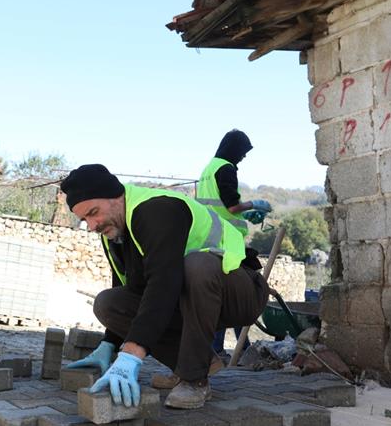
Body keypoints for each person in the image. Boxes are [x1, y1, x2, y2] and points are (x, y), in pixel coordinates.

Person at [60, 164, 269, 409]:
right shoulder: (114, 232)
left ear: (116, 196)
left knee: (196, 265)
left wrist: (131, 353)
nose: (92, 225)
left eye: (93, 212)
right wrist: (110, 343)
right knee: (108, 303)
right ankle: (196, 363)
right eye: (84, 219)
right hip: (190, 297)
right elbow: (127, 289)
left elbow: (163, 283)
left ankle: (194, 379)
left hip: (239, 291)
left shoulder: (157, 210)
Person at [196, 129, 272, 362]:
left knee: (221, 295)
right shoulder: (226, 169)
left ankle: (222, 349)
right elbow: (230, 207)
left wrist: (246, 215)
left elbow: (217, 206)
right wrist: (254, 204)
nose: (243, 157)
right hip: (227, 241)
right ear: (234, 149)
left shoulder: (209, 169)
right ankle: (237, 348)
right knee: (240, 293)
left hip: (209, 238)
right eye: (243, 152)